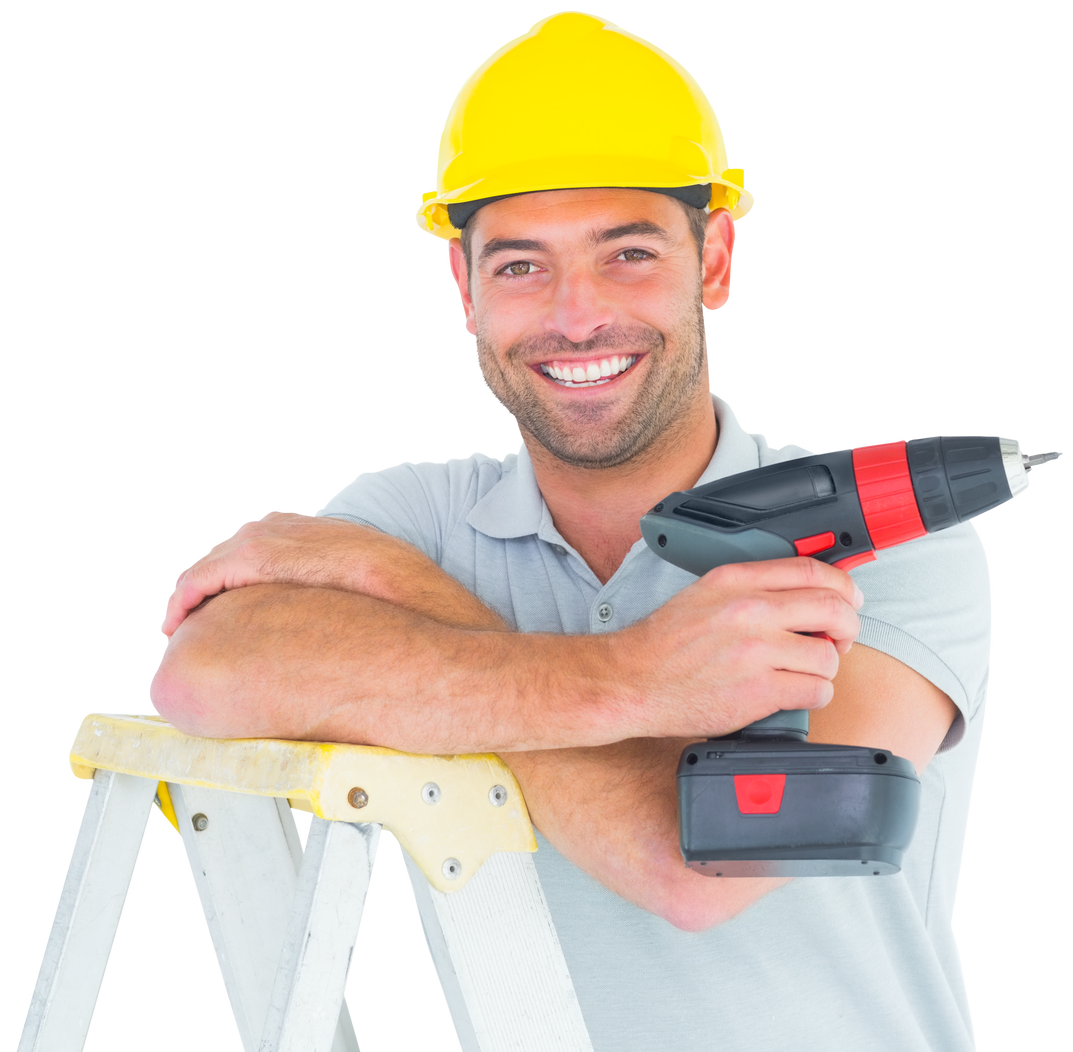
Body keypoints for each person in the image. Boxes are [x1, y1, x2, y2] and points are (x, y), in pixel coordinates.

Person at [149, 12, 989, 1050]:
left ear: (714, 261)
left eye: (627, 252)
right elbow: (204, 673)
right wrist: (634, 675)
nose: (576, 315)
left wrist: (401, 596)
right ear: (464, 288)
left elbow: (700, 862)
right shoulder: (413, 517)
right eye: (521, 267)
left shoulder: (891, 533)